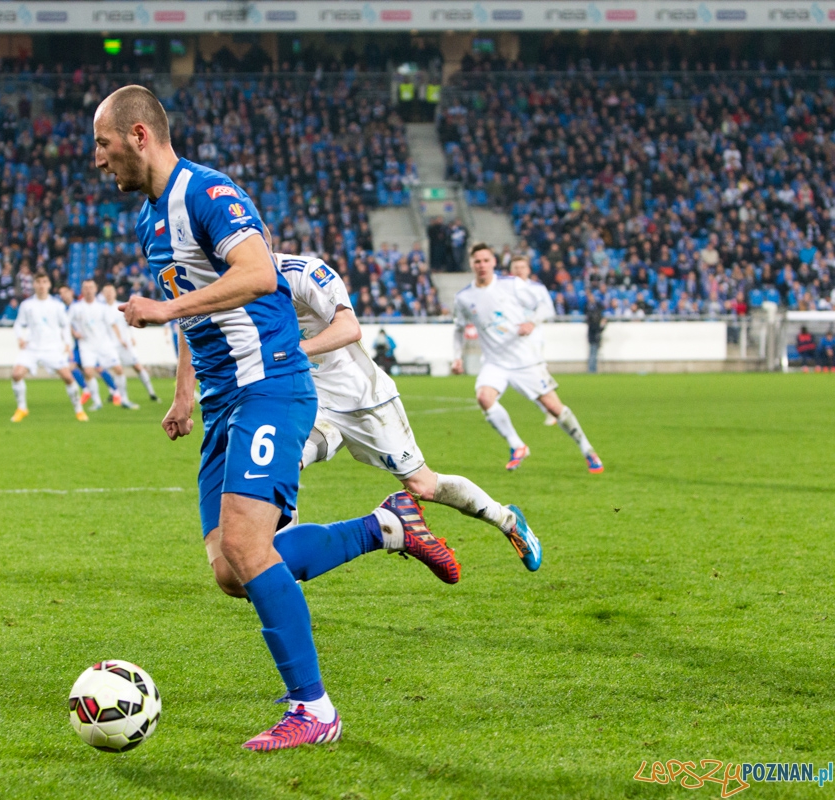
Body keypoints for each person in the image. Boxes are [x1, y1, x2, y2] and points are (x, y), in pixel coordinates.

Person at [96, 85, 454, 751]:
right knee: (232, 571)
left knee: (246, 546)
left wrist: (164, 310)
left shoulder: (208, 193)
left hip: (271, 386)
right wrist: (183, 390)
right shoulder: (148, 218)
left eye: (104, 143)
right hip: (223, 399)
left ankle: (313, 710)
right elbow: (194, 301)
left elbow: (258, 274)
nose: (98, 158)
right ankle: (386, 526)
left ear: (140, 135)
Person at [275, 248, 540, 571]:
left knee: (423, 485)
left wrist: (292, 352)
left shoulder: (304, 272)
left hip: (364, 400)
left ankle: (509, 521)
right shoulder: (240, 287)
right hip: (314, 403)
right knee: (283, 462)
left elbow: (349, 328)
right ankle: (280, 568)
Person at [452, 243, 604, 474]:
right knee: (484, 397)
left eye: (486, 260)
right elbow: (458, 328)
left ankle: (587, 449)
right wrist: (457, 357)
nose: (482, 265)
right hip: (495, 362)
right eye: (477, 261)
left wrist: (532, 321)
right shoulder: (464, 297)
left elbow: (546, 306)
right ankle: (517, 445)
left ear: (494, 262)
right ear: (471, 264)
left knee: (554, 407)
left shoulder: (512, 285)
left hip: (525, 360)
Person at [11, 271, 87, 423]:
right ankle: (22, 408)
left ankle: (79, 410)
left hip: (52, 348)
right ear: (34, 285)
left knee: (68, 377)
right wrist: (20, 338)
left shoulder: (57, 306)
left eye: (44, 282)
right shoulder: (27, 305)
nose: (41, 285)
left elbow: (65, 325)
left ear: (49, 285)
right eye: (38, 282)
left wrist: (68, 344)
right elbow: (18, 324)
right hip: (32, 347)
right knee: (16, 374)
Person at [68, 279, 138, 411]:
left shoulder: (102, 307)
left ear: (95, 290)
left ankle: (124, 399)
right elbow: (66, 323)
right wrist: (74, 332)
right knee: (88, 372)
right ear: (82, 290)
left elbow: (113, 324)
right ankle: (97, 402)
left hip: (104, 344)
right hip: (86, 345)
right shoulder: (76, 307)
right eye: (86, 288)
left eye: (91, 287)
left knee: (118, 369)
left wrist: (121, 339)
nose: (88, 290)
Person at [509, 256, 560, 425]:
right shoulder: (504, 289)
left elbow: (549, 310)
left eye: (522, 267)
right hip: (512, 340)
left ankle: (553, 408)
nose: (519, 270)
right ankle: (549, 408)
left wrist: (532, 322)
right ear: (511, 270)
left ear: (528, 269)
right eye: (516, 267)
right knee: (516, 379)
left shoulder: (537, 289)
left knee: (538, 373)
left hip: (533, 338)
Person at [101, 283, 160, 403]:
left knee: (137, 366)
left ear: (115, 293)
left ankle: (151, 392)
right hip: (110, 345)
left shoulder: (121, 307)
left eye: (110, 291)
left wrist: (131, 336)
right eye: (106, 292)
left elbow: (130, 322)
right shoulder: (101, 309)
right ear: (103, 294)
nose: (109, 294)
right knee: (113, 369)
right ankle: (117, 394)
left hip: (124, 343)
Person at [585, 294, 606, 376]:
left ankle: (592, 369)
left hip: (594, 337)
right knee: (593, 354)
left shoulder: (592, 321)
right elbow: (598, 329)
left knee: (593, 354)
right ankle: (592, 370)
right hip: (594, 337)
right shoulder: (593, 323)